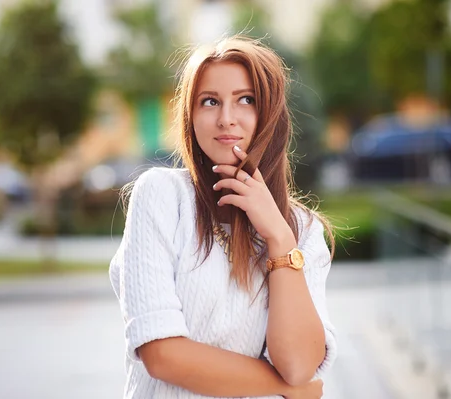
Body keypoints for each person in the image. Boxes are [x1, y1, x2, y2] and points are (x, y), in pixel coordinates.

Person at [109, 36, 337, 399]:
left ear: (270, 114)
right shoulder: (162, 197)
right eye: (210, 101)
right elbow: (162, 354)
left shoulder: (301, 231)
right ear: (191, 116)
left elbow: (298, 366)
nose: (226, 119)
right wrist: (285, 388)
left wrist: (279, 238)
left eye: (245, 100)